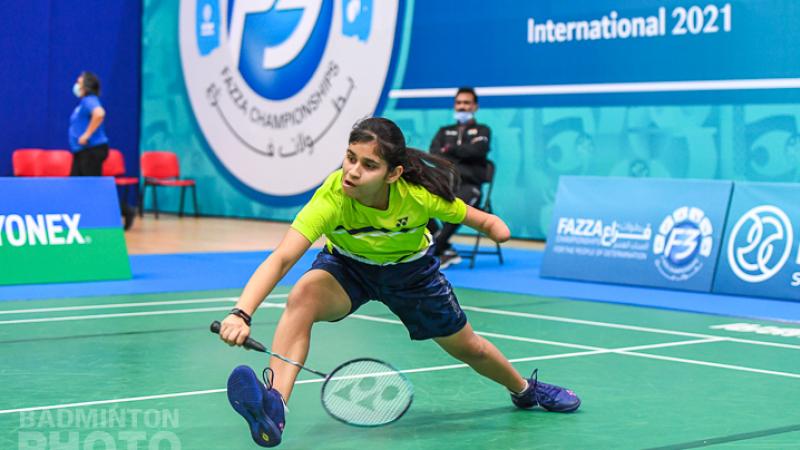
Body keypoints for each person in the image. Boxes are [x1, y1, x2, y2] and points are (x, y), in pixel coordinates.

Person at [218, 117, 580, 448]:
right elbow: (283, 257)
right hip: (349, 267)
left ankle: (524, 390)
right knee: (304, 296)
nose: (353, 172)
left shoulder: (416, 196)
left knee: (470, 348)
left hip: (411, 274)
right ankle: (275, 404)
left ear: (394, 173)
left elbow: (480, 219)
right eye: (350, 158)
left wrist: (497, 229)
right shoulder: (332, 198)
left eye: (369, 165)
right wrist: (242, 312)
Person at [428, 87, 491, 269]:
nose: (462, 107)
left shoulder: (482, 130)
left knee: (457, 208)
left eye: (467, 103)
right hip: (445, 183)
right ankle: (445, 249)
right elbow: (434, 154)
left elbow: (478, 150)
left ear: (475, 106)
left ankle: (433, 251)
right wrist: (462, 152)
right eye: (459, 103)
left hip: (471, 185)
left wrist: (449, 150)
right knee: (418, 199)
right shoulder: (444, 131)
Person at [69, 71, 135, 230]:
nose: (76, 85)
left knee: (94, 188)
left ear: (86, 85)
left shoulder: (90, 100)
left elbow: (99, 113)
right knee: (76, 186)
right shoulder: (83, 103)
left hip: (91, 151)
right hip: (82, 152)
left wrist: (87, 134)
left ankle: (125, 210)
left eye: (79, 82)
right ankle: (80, 219)